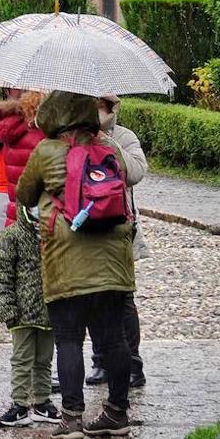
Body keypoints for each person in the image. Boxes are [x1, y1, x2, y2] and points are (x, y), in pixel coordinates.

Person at [16, 90, 136, 439]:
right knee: (114, 337)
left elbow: (24, 194)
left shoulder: (46, 151)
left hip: (67, 258)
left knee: (69, 339)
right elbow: (127, 179)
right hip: (114, 258)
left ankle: (71, 419)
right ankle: (117, 411)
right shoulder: (109, 148)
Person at [86, 94, 148, 389]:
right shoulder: (77, 134)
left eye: (105, 104)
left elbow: (135, 173)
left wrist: (108, 144)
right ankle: (101, 359)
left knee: (122, 298)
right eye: (96, 103)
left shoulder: (124, 136)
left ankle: (133, 363)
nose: (101, 110)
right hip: (87, 225)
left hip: (121, 226)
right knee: (92, 296)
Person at [0, 202, 61, 427]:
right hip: (21, 313)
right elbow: (0, 275)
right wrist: (7, 309)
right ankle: (19, 404)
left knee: (44, 360)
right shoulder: (11, 236)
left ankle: (42, 402)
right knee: (22, 360)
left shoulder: (56, 234)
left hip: (49, 311)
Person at [0, 91, 45, 247]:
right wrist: (5, 129)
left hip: (35, 191)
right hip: (3, 184)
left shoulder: (46, 119)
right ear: (7, 90)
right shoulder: (1, 117)